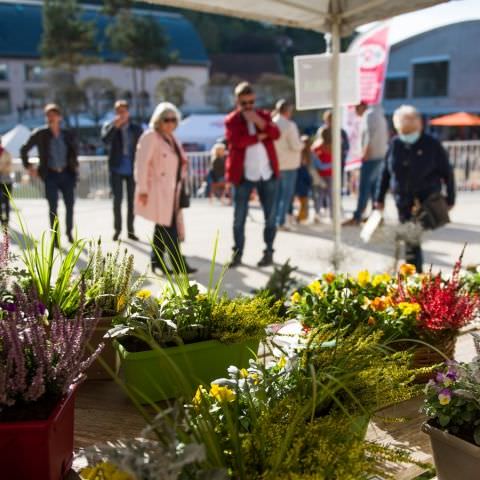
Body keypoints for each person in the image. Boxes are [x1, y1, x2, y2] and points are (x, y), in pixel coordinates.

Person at [375, 105, 455, 272]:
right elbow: (385, 172)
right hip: (402, 199)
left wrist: (450, 197)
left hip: (426, 199)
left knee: (412, 236)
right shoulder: (395, 144)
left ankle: (414, 272)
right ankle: (414, 272)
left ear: (419, 123)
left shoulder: (431, 144)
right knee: (411, 236)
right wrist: (379, 198)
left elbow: (447, 172)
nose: (408, 124)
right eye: (404, 121)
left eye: (412, 120)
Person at [134, 102, 197, 275]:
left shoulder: (172, 138)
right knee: (170, 229)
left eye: (173, 119)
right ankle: (178, 264)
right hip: (157, 191)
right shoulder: (150, 136)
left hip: (172, 191)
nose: (170, 123)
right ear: (158, 120)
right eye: (166, 119)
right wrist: (143, 190)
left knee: (162, 227)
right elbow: (141, 164)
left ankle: (156, 262)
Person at [225, 82, 280, 267]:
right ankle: (237, 255)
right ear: (237, 102)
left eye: (251, 102)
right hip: (243, 176)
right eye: (244, 103)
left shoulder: (263, 116)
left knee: (270, 217)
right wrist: (259, 136)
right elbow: (237, 142)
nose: (248, 106)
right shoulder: (232, 120)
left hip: (267, 173)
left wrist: (259, 123)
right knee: (239, 218)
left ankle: (269, 252)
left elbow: (276, 133)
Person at [20, 103, 78, 242]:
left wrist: (74, 166)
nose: (50, 118)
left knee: (70, 205)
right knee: (53, 208)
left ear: (59, 117)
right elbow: (24, 149)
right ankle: (55, 238)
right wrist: (29, 166)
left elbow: (74, 151)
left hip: (67, 174)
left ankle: (69, 233)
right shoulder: (40, 134)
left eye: (53, 115)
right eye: (48, 115)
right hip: (50, 175)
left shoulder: (67, 134)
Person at [101, 99, 143, 241]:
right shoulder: (109, 126)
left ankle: (131, 230)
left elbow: (143, 147)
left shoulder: (136, 129)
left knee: (132, 201)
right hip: (116, 169)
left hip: (132, 169)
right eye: (118, 111)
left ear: (128, 112)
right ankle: (117, 230)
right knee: (117, 200)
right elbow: (105, 141)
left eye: (123, 111)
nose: (121, 114)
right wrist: (115, 127)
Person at [344, 102, 388, 226]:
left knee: (364, 188)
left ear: (360, 107)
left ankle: (357, 216)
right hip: (379, 156)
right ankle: (376, 217)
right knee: (375, 189)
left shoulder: (369, 116)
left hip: (371, 156)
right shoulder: (379, 115)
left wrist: (365, 154)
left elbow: (369, 136)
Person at [272, 99, 303, 230]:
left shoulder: (272, 123)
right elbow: (296, 145)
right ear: (288, 111)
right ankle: (281, 221)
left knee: (277, 195)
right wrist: (303, 144)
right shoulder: (290, 125)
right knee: (286, 195)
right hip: (289, 165)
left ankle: (274, 220)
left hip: (275, 164)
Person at [311, 127, 334, 219]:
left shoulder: (316, 147)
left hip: (320, 175)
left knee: (319, 195)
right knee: (330, 195)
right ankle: (332, 215)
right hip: (329, 174)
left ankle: (317, 213)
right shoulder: (334, 146)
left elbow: (314, 162)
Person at [294, 140, 312, 223]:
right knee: (304, 203)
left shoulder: (299, 161)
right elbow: (307, 177)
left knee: (302, 203)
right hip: (303, 187)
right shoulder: (303, 165)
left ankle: (301, 217)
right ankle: (301, 217)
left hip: (299, 186)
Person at [0, 137, 12, 226]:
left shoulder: (6, 153)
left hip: (6, 180)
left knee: (7, 201)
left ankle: (6, 221)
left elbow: (9, 167)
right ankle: (2, 220)